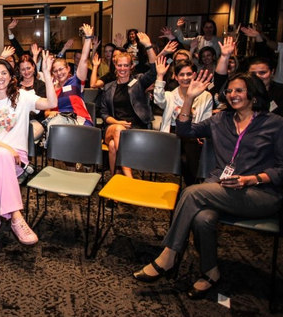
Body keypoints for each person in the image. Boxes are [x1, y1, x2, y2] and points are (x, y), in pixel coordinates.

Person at [133, 71, 283, 300]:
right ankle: (211, 272)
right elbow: (184, 131)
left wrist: (251, 179)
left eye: (239, 90)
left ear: (253, 94)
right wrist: (189, 99)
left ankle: (169, 255)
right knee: (203, 219)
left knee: (192, 194)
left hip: (259, 192)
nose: (233, 94)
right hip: (222, 188)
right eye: (230, 90)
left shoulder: (274, 124)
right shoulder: (220, 120)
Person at [0, 51, 57, 251]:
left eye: (4, 73)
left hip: (16, 159)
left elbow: (52, 103)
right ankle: (16, 216)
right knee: (1, 157)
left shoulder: (23, 96)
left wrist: (45, 73)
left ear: (11, 77)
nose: (0, 77)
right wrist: (6, 149)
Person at [99, 32, 157, 178]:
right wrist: (118, 122)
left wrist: (148, 46)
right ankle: (129, 178)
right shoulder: (109, 87)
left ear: (131, 66)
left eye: (126, 65)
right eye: (120, 65)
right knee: (119, 130)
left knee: (113, 146)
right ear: (115, 66)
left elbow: (154, 71)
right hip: (113, 127)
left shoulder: (138, 82)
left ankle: (115, 181)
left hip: (135, 129)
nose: (123, 68)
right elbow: (104, 114)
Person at [154, 57, 212, 185]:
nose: (185, 78)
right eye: (181, 74)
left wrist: (200, 134)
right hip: (173, 133)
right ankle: (193, 185)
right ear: (176, 77)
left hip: (194, 134)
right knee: (186, 155)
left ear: (194, 75)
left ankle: (193, 185)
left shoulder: (205, 96)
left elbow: (206, 120)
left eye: (189, 74)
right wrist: (160, 76)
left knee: (191, 148)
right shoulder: (170, 96)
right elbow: (158, 99)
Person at [43, 23, 94, 137]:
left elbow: (84, 60)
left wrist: (88, 39)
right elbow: (46, 112)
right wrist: (53, 113)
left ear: (68, 68)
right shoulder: (52, 89)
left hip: (80, 121)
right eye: (55, 71)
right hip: (59, 124)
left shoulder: (76, 81)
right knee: (55, 126)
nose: (59, 73)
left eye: (61, 69)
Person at [17, 54, 46, 141]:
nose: (26, 72)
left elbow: (41, 110)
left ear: (33, 67)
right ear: (19, 70)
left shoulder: (41, 85)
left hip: (35, 121)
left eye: (28, 68)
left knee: (24, 138)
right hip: (17, 121)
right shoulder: (15, 85)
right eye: (23, 69)